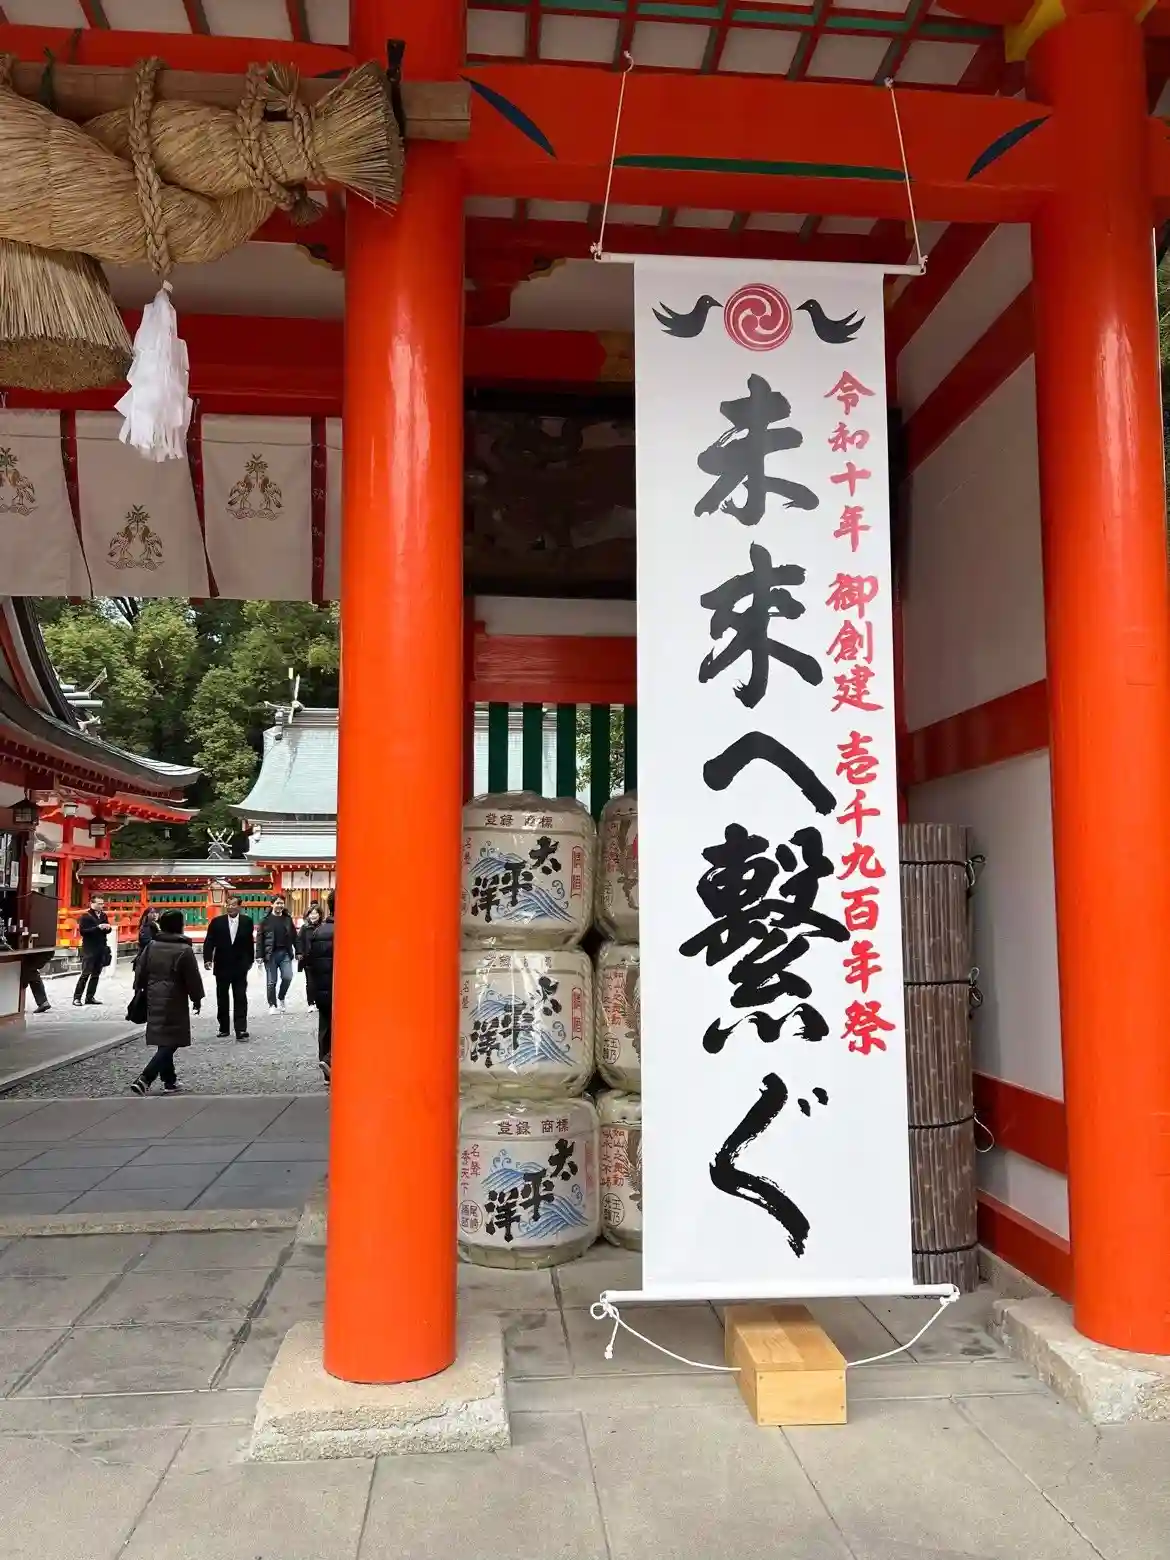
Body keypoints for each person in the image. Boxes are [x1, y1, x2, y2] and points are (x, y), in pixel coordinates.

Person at [129, 908, 203, 1095]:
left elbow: (140, 971)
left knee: (164, 1039)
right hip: (175, 997)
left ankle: (170, 1081)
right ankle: (146, 1077)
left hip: (153, 995)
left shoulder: (151, 946)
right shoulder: (184, 949)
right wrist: (196, 998)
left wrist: (140, 990)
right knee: (173, 1040)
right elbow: (192, 978)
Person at [203, 895, 255, 1041]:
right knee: (222, 997)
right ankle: (224, 1027)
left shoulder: (247, 921)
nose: (230, 907)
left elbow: (249, 942)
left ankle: (241, 1029)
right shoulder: (217, 922)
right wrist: (208, 959)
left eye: (233, 904)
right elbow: (209, 941)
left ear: (240, 906)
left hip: (240, 965)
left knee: (240, 996)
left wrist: (250, 960)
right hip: (222, 964)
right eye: (228, 904)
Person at [300, 890, 334, 1083]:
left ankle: (326, 1066)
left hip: (322, 989)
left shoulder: (318, 931)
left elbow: (311, 964)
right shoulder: (349, 930)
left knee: (325, 1029)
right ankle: (331, 1060)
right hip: (343, 990)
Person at [258, 895, 296, 1011]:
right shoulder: (265, 920)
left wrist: (299, 951)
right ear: (272, 904)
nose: (280, 905)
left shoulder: (287, 919)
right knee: (271, 981)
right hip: (270, 954)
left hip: (285, 952)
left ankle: (281, 997)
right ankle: (272, 1005)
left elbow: (294, 936)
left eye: (282, 903)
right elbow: (260, 939)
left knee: (288, 976)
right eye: (277, 903)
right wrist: (259, 955)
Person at [73, 895, 112, 1006]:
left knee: (96, 974)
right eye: (99, 903)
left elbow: (107, 931)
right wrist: (97, 928)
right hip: (89, 948)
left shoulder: (103, 915)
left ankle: (90, 997)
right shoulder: (86, 916)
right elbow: (83, 931)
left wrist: (107, 928)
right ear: (92, 903)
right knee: (86, 973)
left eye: (102, 903)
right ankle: (77, 997)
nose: (101, 906)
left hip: (101, 947)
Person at [297, 903, 322, 1008]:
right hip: (308, 959)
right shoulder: (304, 928)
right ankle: (311, 1003)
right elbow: (299, 941)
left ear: (320, 915)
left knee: (320, 982)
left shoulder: (322, 927)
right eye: (311, 914)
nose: (313, 916)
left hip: (321, 959)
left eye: (315, 913)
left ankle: (318, 1001)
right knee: (310, 982)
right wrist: (299, 953)